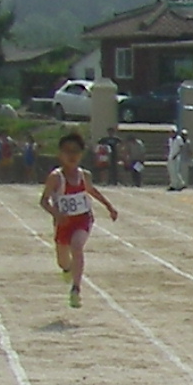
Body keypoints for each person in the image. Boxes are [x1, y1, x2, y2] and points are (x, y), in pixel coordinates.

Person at [37, 133, 118, 310]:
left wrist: (109, 207)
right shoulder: (55, 178)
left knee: (77, 247)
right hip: (63, 223)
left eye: (75, 151)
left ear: (81, 154)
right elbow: (43, 200)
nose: (71, 155)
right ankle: (67, 271)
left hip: (82, 219)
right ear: (60, 154)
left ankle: (76, 289)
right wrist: (56, 214)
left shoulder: (84, 176)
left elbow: (92, 191)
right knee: (63, 261)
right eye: (67, 151)